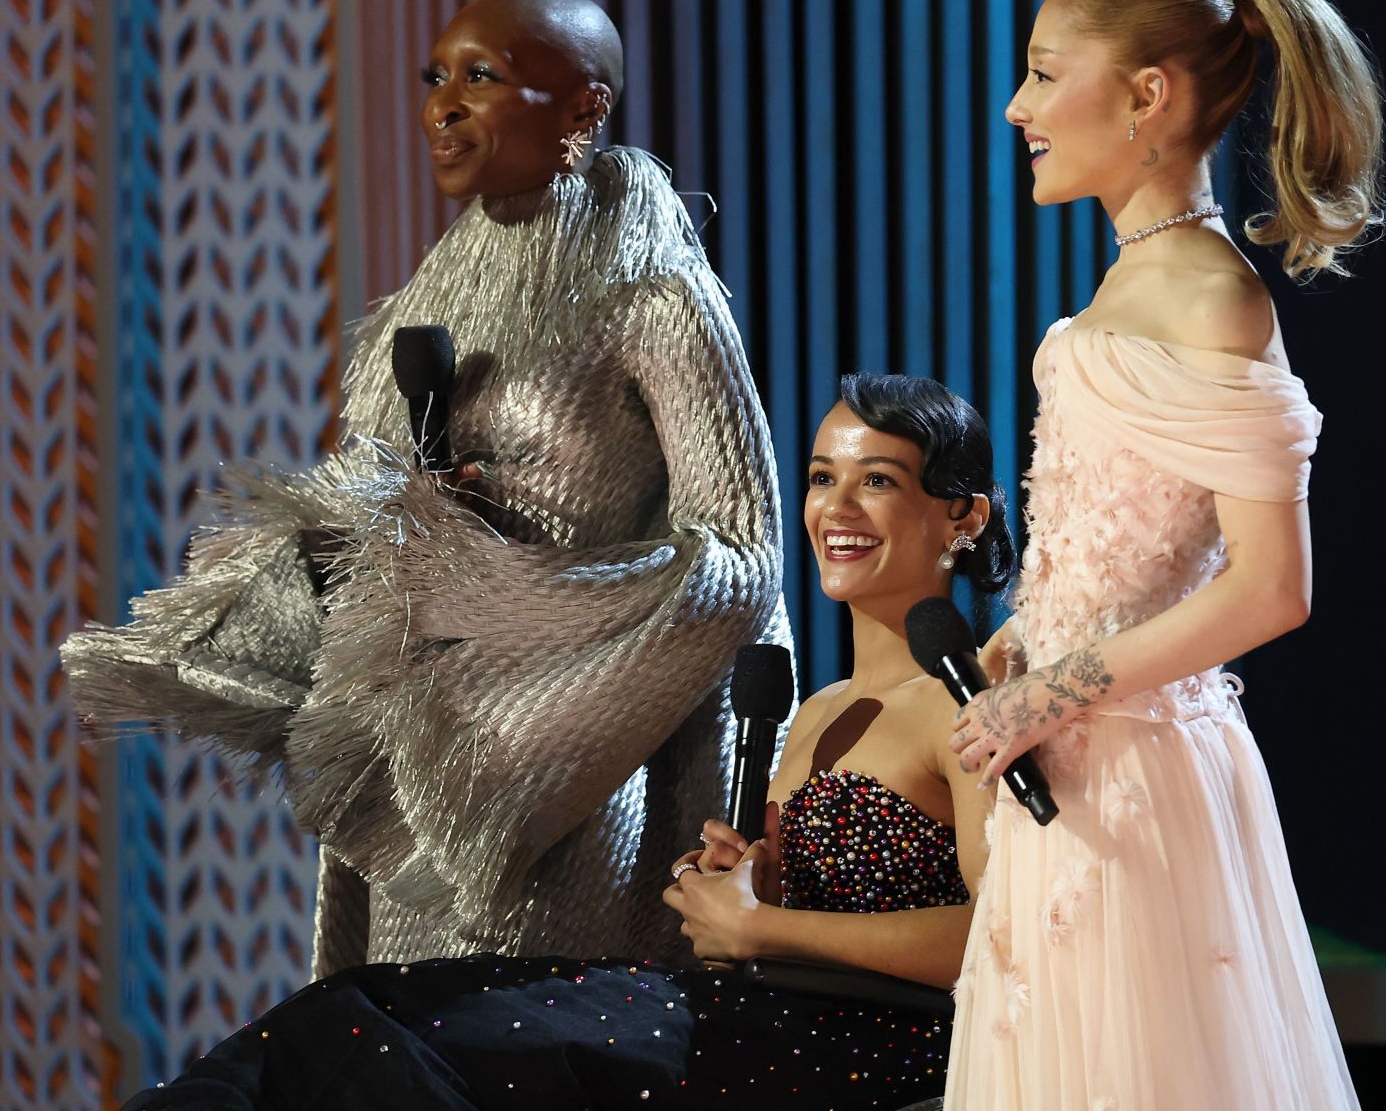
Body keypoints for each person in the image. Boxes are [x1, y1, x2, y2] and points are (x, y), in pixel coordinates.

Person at [61, 0, 785, 974]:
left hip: (554, 781)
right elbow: (382, 527)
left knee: (517, 1049)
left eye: (481, 77)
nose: (442, 104)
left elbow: (742, 563)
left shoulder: (657, 300)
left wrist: (502, 596)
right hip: (405, 756)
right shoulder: (429, 298)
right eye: (434, 77)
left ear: (584, 109)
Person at [118, 374, 1012, 1111]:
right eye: (822, 477)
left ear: (964, 518)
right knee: (353, 1002)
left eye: (878, 481)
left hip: (855, 1051)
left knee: (375, 1047)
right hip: (750, 1015)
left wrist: (764, 925)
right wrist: (741, 889)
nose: (836, 507)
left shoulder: (972, 701)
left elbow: (999, 936)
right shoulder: (811, 709)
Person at [944, 0, 1378, 1109]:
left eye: (1043, 74)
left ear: (1148, 96)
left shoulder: (1209, 294)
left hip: (1137, 774)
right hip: (1067, 765)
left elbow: (1271, 588)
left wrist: (1058, 684)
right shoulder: (1133, 285)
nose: (1017, 107)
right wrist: (1027, 643)